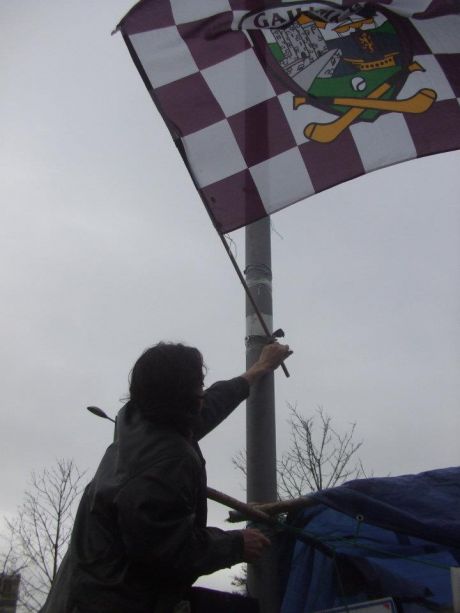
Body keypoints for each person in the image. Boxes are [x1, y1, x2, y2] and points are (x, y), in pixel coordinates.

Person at [40, 340, 291, 613]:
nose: (203, 393)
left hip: (82, 596)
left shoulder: (138, 422)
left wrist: (258, 369)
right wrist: (236, 544)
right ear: (182, 397)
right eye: (199, 386)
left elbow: (210, 407)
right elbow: (165, 551)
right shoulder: (168, 463)